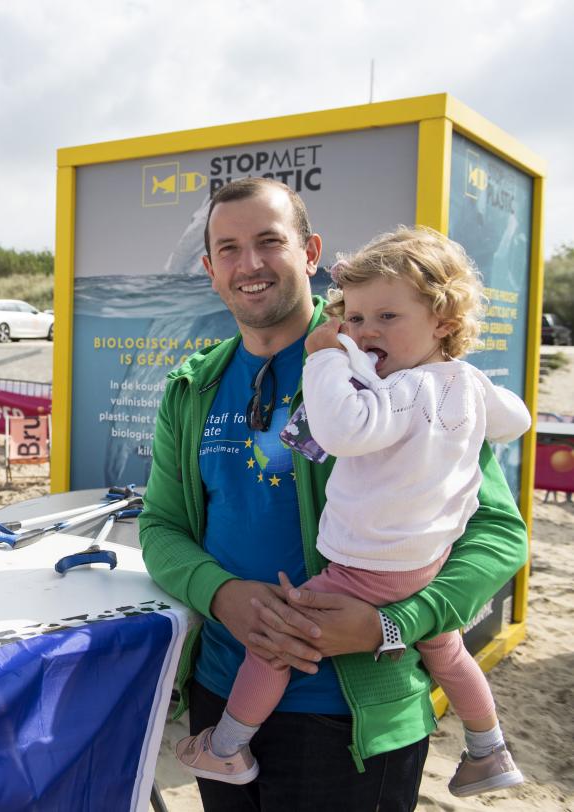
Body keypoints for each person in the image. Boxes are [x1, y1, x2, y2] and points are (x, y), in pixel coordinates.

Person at [139, 178, 528, 810]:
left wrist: (393, 624)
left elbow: (498, 534)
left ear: (311, 252)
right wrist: (222, 595)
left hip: (353, 718)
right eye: (229, 249)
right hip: (223, 694)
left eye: (270, 241)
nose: (251, 264)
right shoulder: (193, 387)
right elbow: (160, 526)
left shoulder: (395, 367)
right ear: (209, 269)